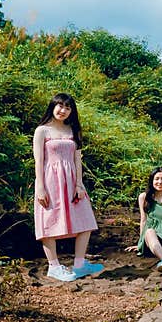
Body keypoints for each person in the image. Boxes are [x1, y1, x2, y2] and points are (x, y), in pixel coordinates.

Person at [32, 92, 104, 282]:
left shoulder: (73, 130)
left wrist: (79, 184)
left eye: (67, 107)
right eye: (60, 105)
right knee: (48, 221)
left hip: (72, 180)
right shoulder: (42, 131)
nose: (63, 110)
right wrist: (40, 187)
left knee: (86, 219)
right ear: (52, 106)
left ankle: (79, 264)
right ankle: (54, 267)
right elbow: (38, 161)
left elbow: (77, 159)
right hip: (49, 181)